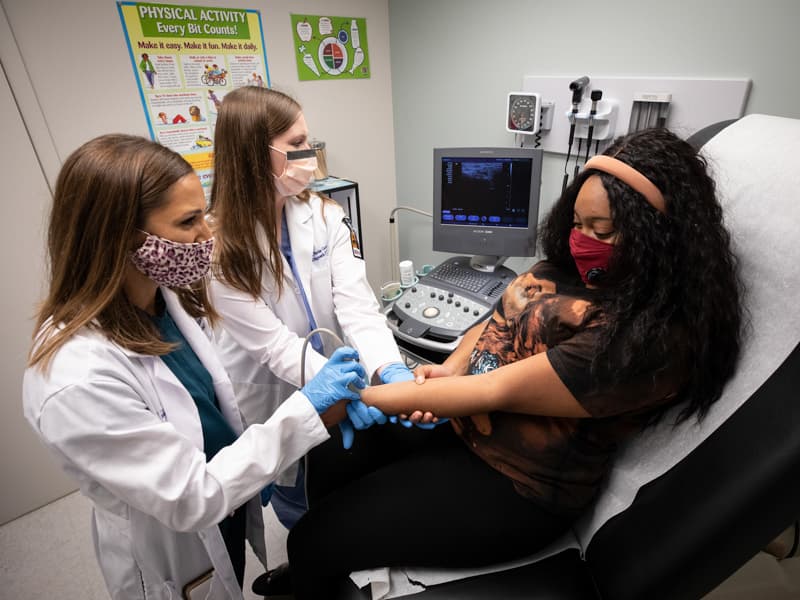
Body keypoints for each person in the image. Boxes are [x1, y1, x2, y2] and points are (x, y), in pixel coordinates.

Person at [283, 127, 744, 598]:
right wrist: (451, 367)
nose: (583, 240)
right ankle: (313, 572)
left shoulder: (644, 339)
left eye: (601, 231)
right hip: (467, 429)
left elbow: (494, 390)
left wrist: (358, 395)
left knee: (314, 540)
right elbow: (500, 317)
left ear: (655, 236)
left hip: (515, 483)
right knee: (331, 453)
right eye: (577, 224)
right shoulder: (574, 268)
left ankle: (311, 568)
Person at [21, 133, 371, 599]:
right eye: (188, 222)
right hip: (173, 545)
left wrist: (286, 434)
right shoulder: (75, 379)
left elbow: (207, 400)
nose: (208, 235)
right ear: (120, 238)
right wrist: (305, 414)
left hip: (226, 502)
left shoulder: (165, 301)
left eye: (202, 214)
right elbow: (191, 497)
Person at [207, 86, 414, 529]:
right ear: (252, 155)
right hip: (271, 390)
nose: (310, 154)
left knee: (342, 488)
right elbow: (275, 348)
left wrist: (389, 369)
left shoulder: (324, 215)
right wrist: (354, 390)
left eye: (308, 140)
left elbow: (358, 307)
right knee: (296, 500)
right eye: (296, 145)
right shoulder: (218, 249)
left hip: (332, 376)